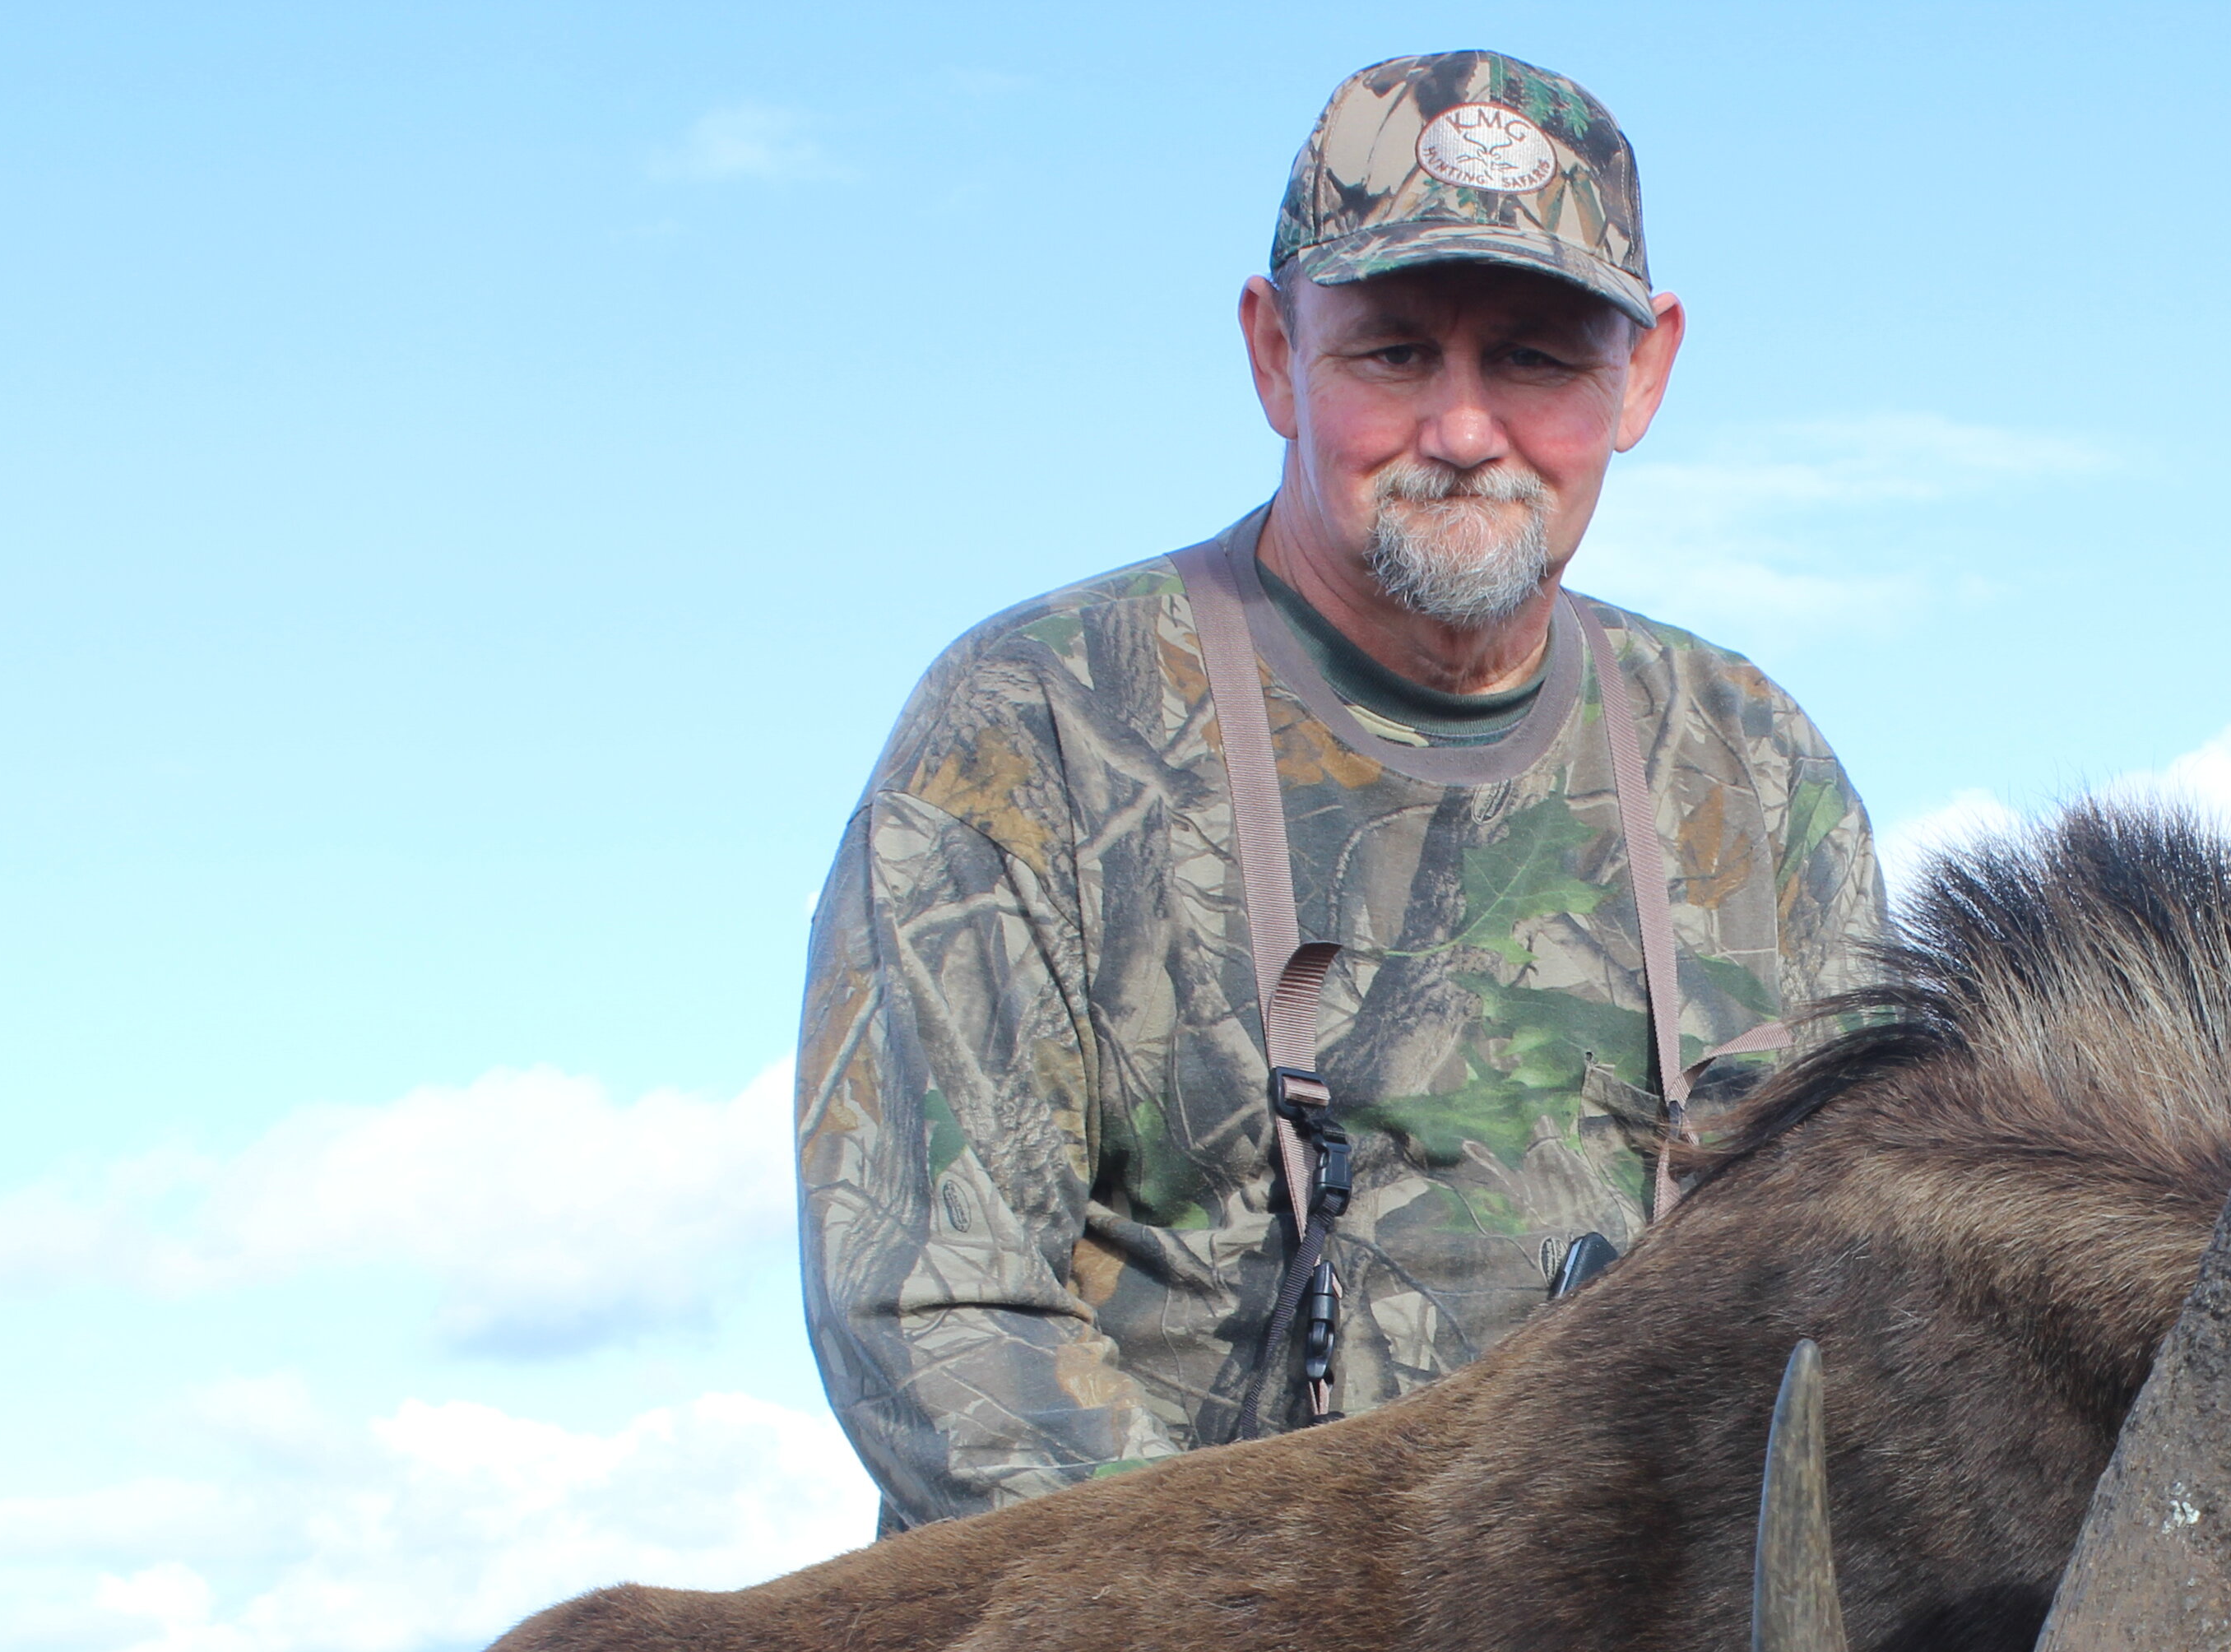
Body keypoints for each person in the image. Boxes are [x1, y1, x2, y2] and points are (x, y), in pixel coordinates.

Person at [795, 49, 1888, 1530]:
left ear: (1644, 375)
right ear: (1270, 353)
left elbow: (1856, 1313)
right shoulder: (1031, 730)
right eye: (1391, 354)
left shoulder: (1758, 777)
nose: (1460, 429)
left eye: (1535, 358)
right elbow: (930, 1310)